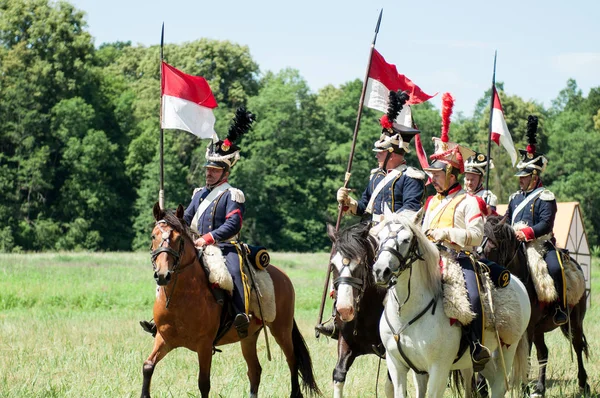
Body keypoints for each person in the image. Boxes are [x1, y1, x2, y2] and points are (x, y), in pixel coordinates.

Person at [316, 91, 426, 339]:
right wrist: (347, 202)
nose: (376, 154)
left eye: (381, 151)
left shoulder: (412, 177)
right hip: (369, 232)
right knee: (342, 257)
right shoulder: (375, 176)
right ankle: (339, 318)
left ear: (394, 152)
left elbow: (410, 212)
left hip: (394, 236)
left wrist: (384, 227)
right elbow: (364, 206)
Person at [141, 107, 255, 339]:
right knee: (170, 267)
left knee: (230, 273)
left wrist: (208, 238)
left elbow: (233, 225)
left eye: (214, 170)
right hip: (198, 245)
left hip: (224, 247)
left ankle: (240, 315)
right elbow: (186, 219)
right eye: (208, 170)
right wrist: (168, 221)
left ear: (225, 172)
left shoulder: (233, 194)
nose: (208, 174)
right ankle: (162, 318)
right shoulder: (199, 194)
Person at [421, 92, 490, 371]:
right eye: (432, 174)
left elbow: (476, 236)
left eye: (437, 174)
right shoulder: (431, 201)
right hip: (428, 259)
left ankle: (475, 346)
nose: (432, 178)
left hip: (459, 260)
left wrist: (447, 233)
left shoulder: (470, 201)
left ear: (452, 174)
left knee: (472, 298)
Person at [505, 115, 567, 326]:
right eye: (520, 176)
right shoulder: (514, 198)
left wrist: (527, 233)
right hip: (516, 243)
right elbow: (507, 220)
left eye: (524, 176)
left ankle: (559, 307)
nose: (520, 180)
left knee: (556, 268)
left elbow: (545, 224)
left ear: (534, 176)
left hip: (540, 245)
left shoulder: (545, 196)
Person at [464, 152, 498, 216]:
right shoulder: (461, 195)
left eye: (472, 180)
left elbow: (492, 220)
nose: (469, 183)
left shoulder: (487, 197)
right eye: (467, 179)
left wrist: (490, 212)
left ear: (481, 179)